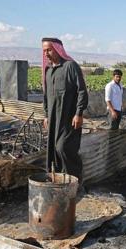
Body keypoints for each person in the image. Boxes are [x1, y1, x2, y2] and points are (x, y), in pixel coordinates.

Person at [41, 37, 88, 183]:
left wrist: (79, 113)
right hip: (53, 119)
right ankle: (60, 181)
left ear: (57, 49)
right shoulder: (48, 70)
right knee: (53, 150)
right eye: (44, 51)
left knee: (64, 148)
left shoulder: (70, 66)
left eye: (49, 50)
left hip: (69, 118)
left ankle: (75, 182)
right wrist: (46, 115)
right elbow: (46, 95)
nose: (46, 53)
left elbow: (82, 91)